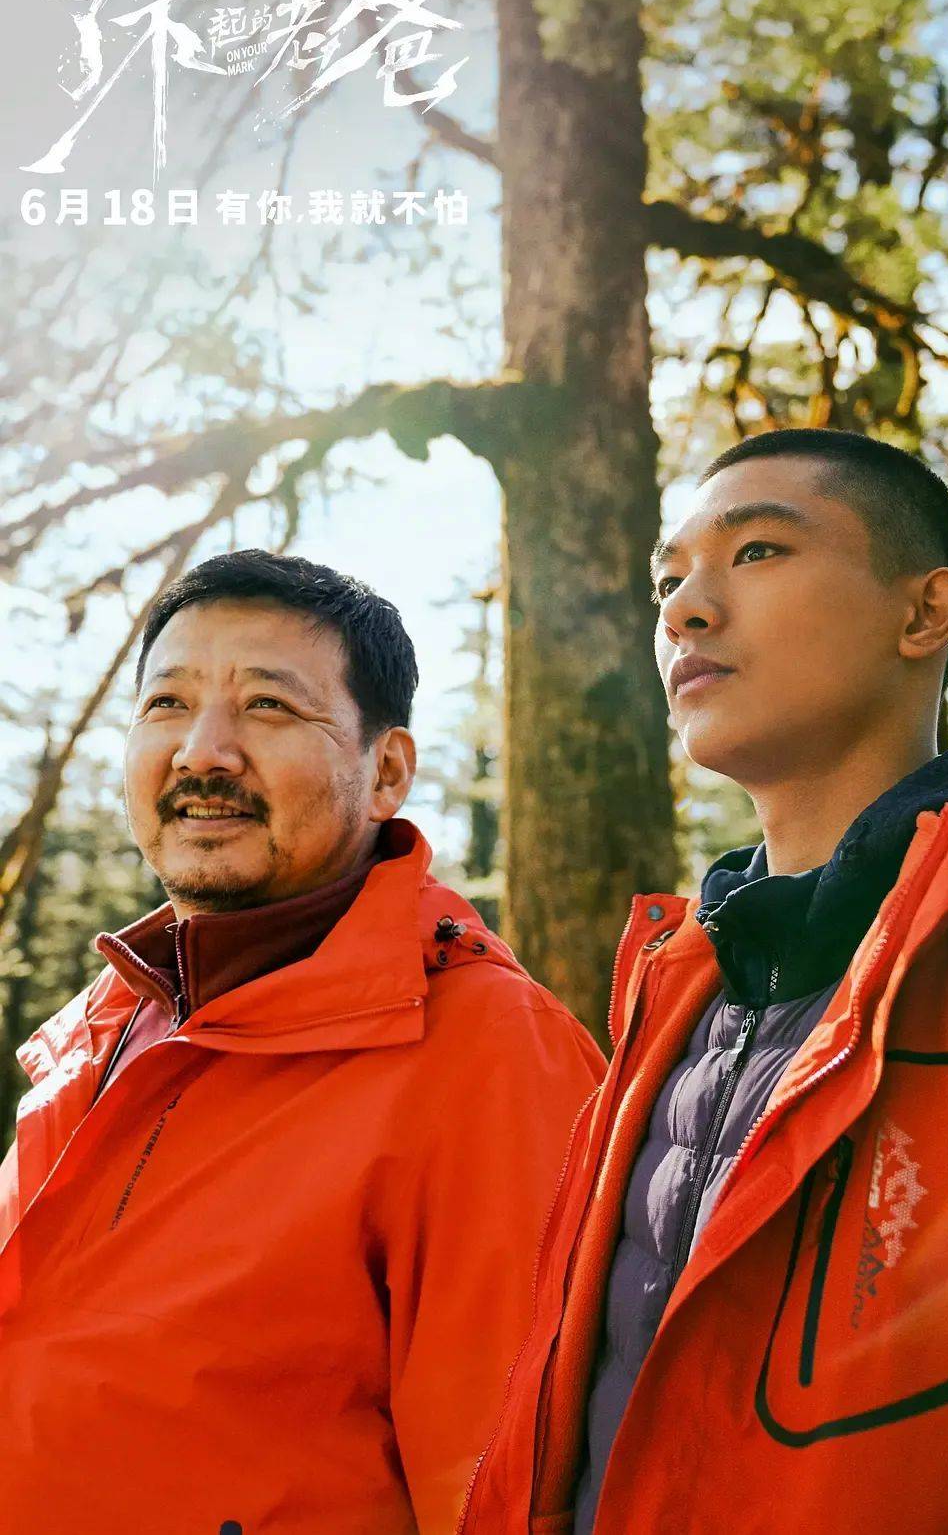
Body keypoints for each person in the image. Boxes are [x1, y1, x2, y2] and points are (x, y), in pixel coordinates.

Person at [460, 428, 948, 1535]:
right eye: (668, 581)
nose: (685, 612)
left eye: (755, 552)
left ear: (924, 613)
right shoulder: (676, 984)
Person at [0, 549, 604, 1535]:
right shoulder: (108, 1018)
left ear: (386, 772)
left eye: (268, 707)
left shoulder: (488, 1050)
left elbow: (508, 1493)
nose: (203, 752)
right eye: (167, 704)